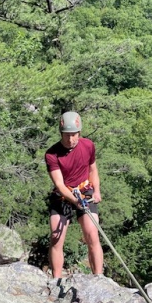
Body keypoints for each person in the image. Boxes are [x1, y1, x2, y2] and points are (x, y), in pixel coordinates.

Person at [45, 111, 104, 279]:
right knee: (57, 237)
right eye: (66, 135)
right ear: (61, 133)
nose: (70, 139)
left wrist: (97, 191)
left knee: (92, 233)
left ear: (79, 133)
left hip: (84, 191)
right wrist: (75, 201)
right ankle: (56, 279)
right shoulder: (52, 154)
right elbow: (59, 184)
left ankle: (98, 277)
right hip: (62, 195)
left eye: (74, 135)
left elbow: (93, 169)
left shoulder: (88, 146)